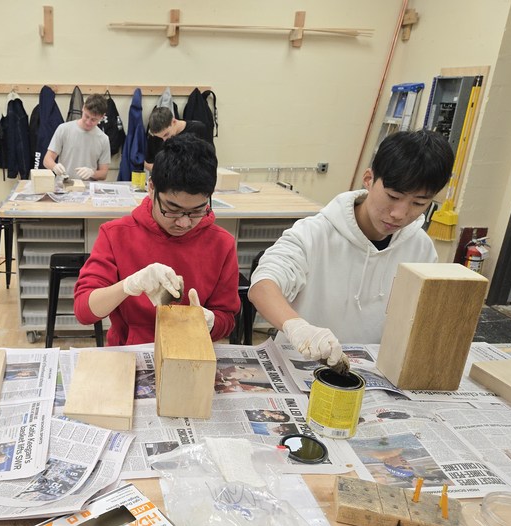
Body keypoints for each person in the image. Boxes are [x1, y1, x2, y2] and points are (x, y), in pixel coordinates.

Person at [248, 129, 455, 363]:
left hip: (374, 370)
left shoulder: (421, 248)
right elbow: (263, 286)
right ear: (369, 179)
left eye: (418, 203)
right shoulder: (315, 233)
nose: (399, 214)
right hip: (305, 363)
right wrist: (297, 328)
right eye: (393, 196)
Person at [73, 134, 240, 346]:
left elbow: (227, 318)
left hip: (191, 351)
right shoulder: (116, 234)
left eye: (197, 211)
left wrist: (210, 322)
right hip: (130, 351)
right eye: (172, 210)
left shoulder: (221, 244)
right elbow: (84, 312)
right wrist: (128, 285)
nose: (184, 223)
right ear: (151, 189)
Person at [43, 94, 111, 181]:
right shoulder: (64, 129)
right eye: (86, 116)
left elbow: (103, 173)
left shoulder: (103, 139)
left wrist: (92, 173)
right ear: (83, 108)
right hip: (64, 186)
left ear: (102, 117)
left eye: (93, 119)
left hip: (88, 188)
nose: (88, 122)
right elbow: (47, 160)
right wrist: (54, 166)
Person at [144, 107, 214, 172]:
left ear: (174, 121)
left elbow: (209, 161)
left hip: (194, 180)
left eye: (166, 134)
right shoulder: (155, 136)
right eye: (160, 137)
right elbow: (150, 163)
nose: (164, 140)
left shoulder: (199, 129)